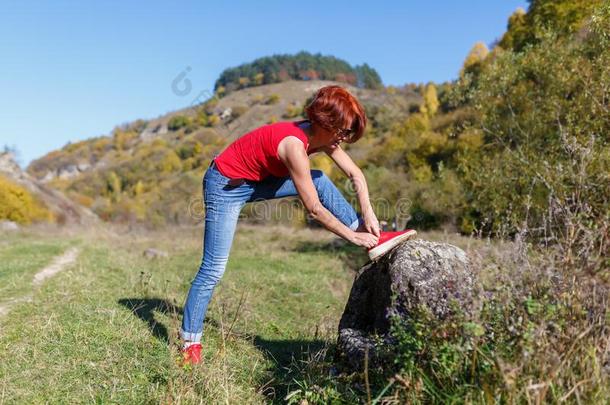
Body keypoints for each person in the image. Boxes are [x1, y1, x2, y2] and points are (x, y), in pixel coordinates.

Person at [180, 85, 416, 365]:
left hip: (255, 181)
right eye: (341, 130)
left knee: (319, 180)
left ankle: (372, 235)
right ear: (324, 122)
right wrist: (351, 238)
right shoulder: (293, 145)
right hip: (225, 186)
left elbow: (355, 173)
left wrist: (369, 215)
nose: (343, 138)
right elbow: (314, 209)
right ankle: (189, 343)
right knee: (213, 268)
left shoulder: (325, 138)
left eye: (347, 132)